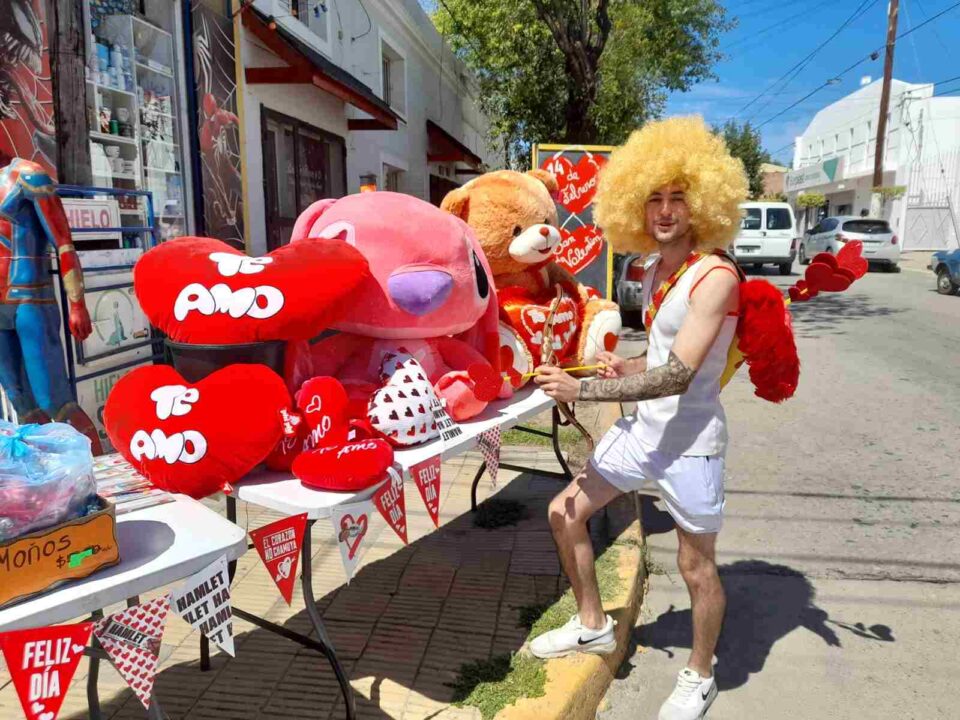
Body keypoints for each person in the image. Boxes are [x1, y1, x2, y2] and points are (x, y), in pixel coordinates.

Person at [530, 117, 749, 720]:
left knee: (694, 566)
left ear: (702, 201)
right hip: (645, 432)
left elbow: (680, 375)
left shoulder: (717, 275)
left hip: (692, 443)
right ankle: (594, 624)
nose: (666, 210)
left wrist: (584, 389)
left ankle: (700, 673)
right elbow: (659, 358)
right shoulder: (654, 270)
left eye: (679, 196)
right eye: (654, 197)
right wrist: (622, 368)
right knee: (563, 511)